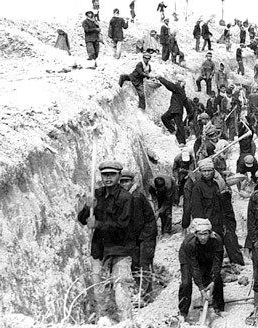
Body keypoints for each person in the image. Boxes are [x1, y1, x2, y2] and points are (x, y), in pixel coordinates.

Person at [76, 161, 134, 322]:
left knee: (121, 289)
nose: (108, 178)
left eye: (112, 174)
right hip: (99, 249)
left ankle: (126, 322)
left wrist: (99, 224)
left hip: (119, 249)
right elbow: (82, 220)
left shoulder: (125, 197)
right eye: (105, 175)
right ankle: (105, 321)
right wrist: (87, 207)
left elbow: (123, 225)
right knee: (99, 291)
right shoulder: (97, 194)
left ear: (119, 176)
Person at [119, 170, 157, 304]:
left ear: (132, 182)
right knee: (135, 263)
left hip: (146, 233)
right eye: (121, 181)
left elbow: (137, 222)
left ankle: (146, 295)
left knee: (144, 263)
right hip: (137, 234)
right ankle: (141, 290)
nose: (124, 184)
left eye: (126, 181)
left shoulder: (135, 197)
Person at [178, 218, 225, 323]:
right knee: (186, 283)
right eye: (200, 234)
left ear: (210, 233)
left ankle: (219, 307)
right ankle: (183, 312)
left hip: (207, 255)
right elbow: (194, 267)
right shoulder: (189, 243)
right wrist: (201, 288)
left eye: (205, 234)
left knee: (217, 280)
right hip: (188, 257)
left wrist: (212, 281)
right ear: (195, 234)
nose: (203, 237)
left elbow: (217, 263)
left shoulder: (217, 241)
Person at [158, 74, 192, 145]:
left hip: (175, 109)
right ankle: (176, 135)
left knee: (169, 120)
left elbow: (169, 85)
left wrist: (160, 78)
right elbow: (186, 102)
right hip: (177, 110)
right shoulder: (182, 90)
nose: (176, 82)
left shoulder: (178, 88)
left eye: (177, 81)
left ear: (179, 81)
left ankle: (181, 140)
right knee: (177, 124)